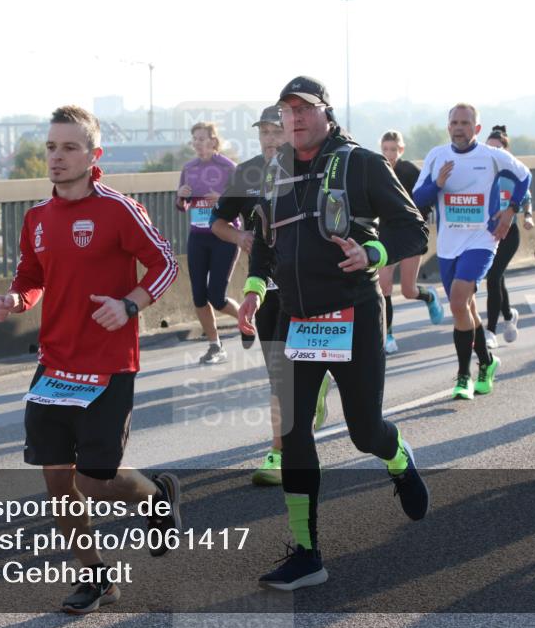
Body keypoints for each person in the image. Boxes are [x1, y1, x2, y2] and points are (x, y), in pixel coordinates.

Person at [0, 105, 182, 614]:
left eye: (70, 147)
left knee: (95, 480)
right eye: (51, 146)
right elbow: (30, 279)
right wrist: (15, 301)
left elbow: (166, 263)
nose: (57, 156)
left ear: (94, 155)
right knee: (57, 479)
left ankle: (155, 494)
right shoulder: (37, 218)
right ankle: (96, 578)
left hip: (109, 365)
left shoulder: (119, 209)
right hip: (55, 365)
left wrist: (130, 304)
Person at [239, 76, 430, 590]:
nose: (295, 119)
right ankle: (307, 553)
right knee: (294, 434)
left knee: (364, 432)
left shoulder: (360, 162)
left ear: (326, 112)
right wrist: (255, 288)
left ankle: (397, 456)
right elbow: (262, 239)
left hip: (353, 315)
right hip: (296, 320)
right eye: (287, 111)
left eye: (304, 109)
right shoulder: (273, 170)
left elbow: (413, 227)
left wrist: (373, 253)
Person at [210, 106, 331, 486]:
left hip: (309, 286)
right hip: (265, 289)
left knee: (299, 374)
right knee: (280, 376)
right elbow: (216, 222)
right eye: (263, 132)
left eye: (276, 131)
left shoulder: (314, 169)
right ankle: (280, 452)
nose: (269, 139)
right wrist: (241, 237)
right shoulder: (246, 172)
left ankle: (317, 389)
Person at [413, 104, 531, 400]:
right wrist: (437, 183)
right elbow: (417, 198)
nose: (459, 127)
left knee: (457, 301)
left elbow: (524, 176)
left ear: (476, 128)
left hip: (482, 239)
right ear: (447, 126)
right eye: (454, 122)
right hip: (449, 243)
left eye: (465, 123)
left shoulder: (491, 156)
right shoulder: (437, 156)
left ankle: (464, 375)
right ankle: (488, 363)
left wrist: (510, 212)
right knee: (466, 308)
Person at [176, 122, 241, 364]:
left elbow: (242, 201)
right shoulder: (189, 168)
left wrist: (223, 199)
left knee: (217, 296)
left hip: (224, 236)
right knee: (198, 297)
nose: (198, 143)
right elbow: (181, 206)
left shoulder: (228, 167)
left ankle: (246, 319)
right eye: (195, 139)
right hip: (198, 237)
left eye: (203, 138)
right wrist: (181, 196)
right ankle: (215, 346)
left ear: (214, 141)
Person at [377, 130, 445, 354]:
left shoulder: (410, 171)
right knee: (384, 285)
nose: (389, 154)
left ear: (401, 150)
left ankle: (428, 296)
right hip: (386, 233)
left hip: (410, 235)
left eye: (393, 149)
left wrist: (417, 219)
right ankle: (387, 336)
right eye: (385, 149)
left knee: (407, 290)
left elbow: (427, 197)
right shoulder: (377, 169)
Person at [483, 126, 535, 348]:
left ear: (505, 151)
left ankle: (490, 331)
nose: (492, 152)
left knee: (493, 276)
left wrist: (528, 217)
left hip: (509, 234)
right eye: (488, 148)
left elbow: (526, 198)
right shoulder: (481, 172)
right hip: (487, 234)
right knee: (497, 278)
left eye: (497, 148)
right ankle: (508, 315)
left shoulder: (513, 174)